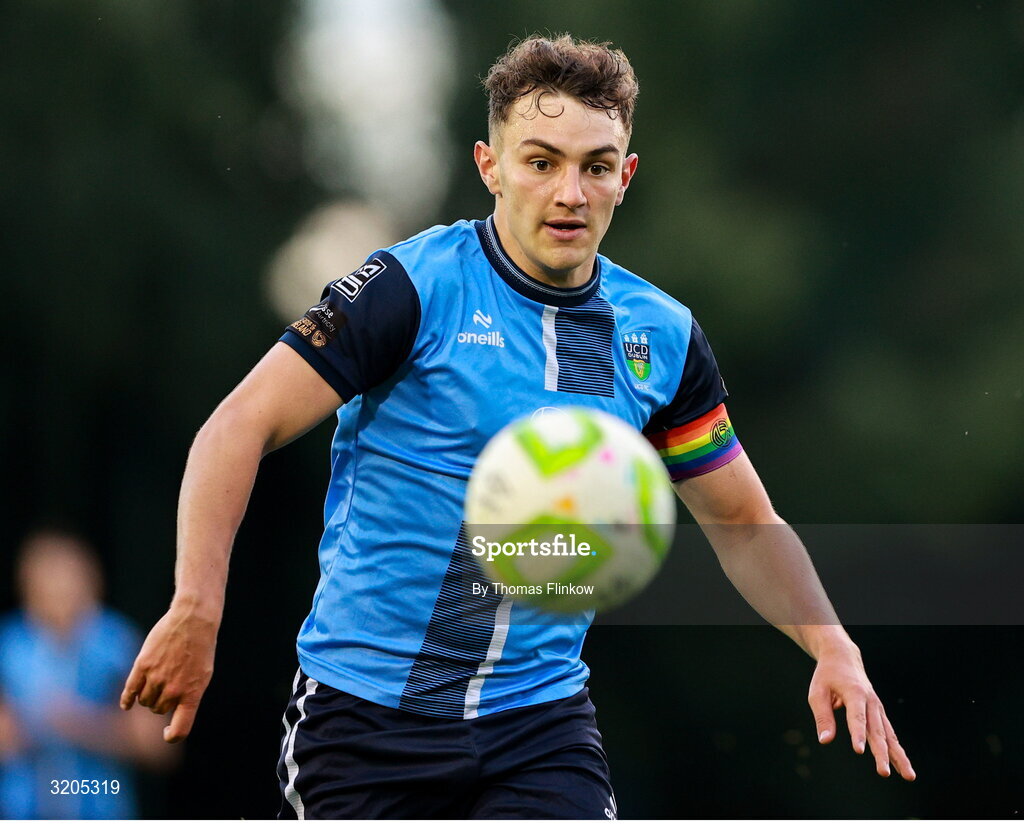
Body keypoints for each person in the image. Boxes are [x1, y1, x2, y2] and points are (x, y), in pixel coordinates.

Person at [120, 34, 915, 818]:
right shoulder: (409, 290)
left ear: (625, 177)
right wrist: (196, 606)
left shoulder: (661, 337)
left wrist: (831, 642)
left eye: (596, 166)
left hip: (539, 728)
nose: (570, 191)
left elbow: (742, 523)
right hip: (365, 724)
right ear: (490, 167)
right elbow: (237, 426)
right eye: (542, 162)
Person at [0, 529, 175, 819]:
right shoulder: (8, 645)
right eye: (46, 580)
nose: (58, 592)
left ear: (92, 581)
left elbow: (157, 745)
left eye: (67, 578)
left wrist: (81, 723)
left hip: (102, 806)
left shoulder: (117, 644)